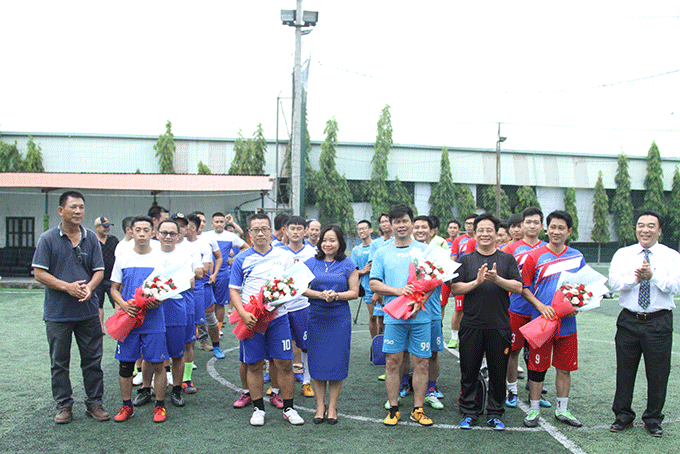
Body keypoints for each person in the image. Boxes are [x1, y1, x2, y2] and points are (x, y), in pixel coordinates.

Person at [32, 190, 109, 424]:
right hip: (58, 313)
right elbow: (39, 273)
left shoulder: (91, 238)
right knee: (59, 362)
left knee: (92, 360)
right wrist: (67, 287)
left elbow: (99, 271)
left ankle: (94, 403)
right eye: (73, 207)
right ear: (61, 210)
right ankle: (64, 405)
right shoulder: (48, 238)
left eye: (81, 207)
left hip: (87, 312)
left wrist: (89, 289)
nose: (78, 211)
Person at [608, 209, 680, 437]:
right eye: (641, 225)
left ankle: (653, 418)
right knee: (625, 371)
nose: (645, 230)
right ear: (636, 228)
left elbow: (676, 287)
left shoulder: (671, 256)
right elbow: (614, 282)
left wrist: (653, 277)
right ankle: (623, 415)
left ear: (659, 230)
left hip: (658, 321)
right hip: (629, 319)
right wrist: (635, 279)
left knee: (658, 373)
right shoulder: (624, 254)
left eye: (651, 226)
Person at [230, 213, 304, 426]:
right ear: (249, 233)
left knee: (284, 363)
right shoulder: (242, 259)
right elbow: (234, 290)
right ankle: (258, 409)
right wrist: (244, 314)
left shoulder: (284, 256)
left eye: (264, 228)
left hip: (279, 318)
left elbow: (293, 284)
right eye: (256, 229)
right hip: (251, 320)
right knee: (254, 365)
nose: (260, 233)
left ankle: (289, 408)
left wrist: (282, 300)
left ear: (271, 231)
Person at [450, 213, 523, 431]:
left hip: (499, 326)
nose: (484, 234)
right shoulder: (466, 260)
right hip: (471, 325)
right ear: (475, 233)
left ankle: (495, 413)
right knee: (469, 371)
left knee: (498, 372)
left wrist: (496, 279)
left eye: (489, 230)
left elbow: (518, 287)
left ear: (496, 234)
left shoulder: (506, 260)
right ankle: (470, 411)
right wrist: (477, 282)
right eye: (480, 230)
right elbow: (455, 288)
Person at [370, 205, 434, 427]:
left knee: (422, 363)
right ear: (390, 224)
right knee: (392, 362)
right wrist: (398, 291)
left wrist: (421, 300)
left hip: (420, 316)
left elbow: (433, 280)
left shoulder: (425, 250)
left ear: (411, 222)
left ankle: (418, 408)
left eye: (405, 220)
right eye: (396, 221)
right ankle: (394, 408)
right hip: (394, 316)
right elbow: (374, 282)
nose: (401, 225)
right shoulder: (382, 252)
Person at [521, 210, 584, 428]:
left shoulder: (577, 256)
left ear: (569, 231)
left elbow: (583, 288)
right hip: (542, 322)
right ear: (546, 229)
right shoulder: (535, 256)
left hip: (567, 324)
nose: (556, 231)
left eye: (561, 228)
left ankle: (562, 410)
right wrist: (540, 306)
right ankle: (534, 410)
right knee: (537, 368)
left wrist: (577, 307)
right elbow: (524, 287)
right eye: (552, 227)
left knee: (564, 367)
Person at [110, 215, 168, 423]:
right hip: (129, 319)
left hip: (154, 319)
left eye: (146, 230)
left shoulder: (160, 258)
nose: (142, 233)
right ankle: (127, 406)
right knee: (125, 365)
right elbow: (114, 288)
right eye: (138, 230)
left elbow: (167, 287)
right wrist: (124, 305)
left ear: (153, 232)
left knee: (158, 364)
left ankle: (160, 405)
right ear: (130, 232)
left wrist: (159, 300)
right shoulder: (123, 257)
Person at [304, 224, 359, 424]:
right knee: (317, 362)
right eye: (325, 240)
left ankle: (333, 406)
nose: (328, 244)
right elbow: (299, 287)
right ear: (320, 242)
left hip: (339, 319)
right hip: (316, 317)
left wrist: (336, 296)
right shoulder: (311, 263)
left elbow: (354, 292)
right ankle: (320, 406)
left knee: (336, 361)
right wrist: (320, 295)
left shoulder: (348, 264)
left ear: (340, 243)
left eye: (332, 240)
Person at [503, 207, 548, 408]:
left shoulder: (548, 249)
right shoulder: (510, 249)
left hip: (540, 311)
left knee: (537, 351)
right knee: (513, 351)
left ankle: (534, 389)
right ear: (522, 225)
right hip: (516, 308)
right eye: (527, 222)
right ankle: (511, 390)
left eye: (535, 222)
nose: (531, 226)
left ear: (542, 226)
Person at [280, 216, 317, 397]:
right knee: (280, 345)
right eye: (292, 228)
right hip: (281, 307)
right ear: (286, 231)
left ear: (305, 231)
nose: (295, 232)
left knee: (305, 346)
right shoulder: (278, 253)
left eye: (299, 228)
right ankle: (278, 384)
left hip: (303, 306)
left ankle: (307, 381)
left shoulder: (312, 253)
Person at [412, 216, 446, 410]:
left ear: (432, 231)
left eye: (424, 227)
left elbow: (444, 278)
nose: (420, 230)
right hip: (410, 310)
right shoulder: (406, 251)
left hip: (431, 311)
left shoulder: (438, 253)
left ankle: (431, 391)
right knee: (405, 353)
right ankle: (403, 385)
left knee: (432, 354)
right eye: (416, 227)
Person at [447, 214, 477, 349]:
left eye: (472, 223)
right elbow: (454, 258)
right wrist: (451, 274)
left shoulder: (483, 239)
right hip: (462, 278)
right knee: (459, 309)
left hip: (479, 280)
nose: (470, 226)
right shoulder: (459, 240)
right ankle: (454, 337)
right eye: (467, 223)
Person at [350, 220, 377, 338]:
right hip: (367, 287)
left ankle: (386, 341)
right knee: (372, 316)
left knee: (384, 317)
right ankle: (375, 343)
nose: (361, 231)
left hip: (381, 286)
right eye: (359, 229)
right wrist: (363, 271)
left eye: (364, 228)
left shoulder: (377, 245)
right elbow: (352, 271)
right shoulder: (356, 250)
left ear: (370, 230)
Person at [93, 216, 119, 331]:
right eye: (104, 227)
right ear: (97, 227)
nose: (107, 229)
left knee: (117, 302)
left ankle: (117, 326)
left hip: (112, 277)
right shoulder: (92, 240)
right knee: (98, 304)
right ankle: (100, 328)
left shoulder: (113, 240)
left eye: (108, 226)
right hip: (97, 277)